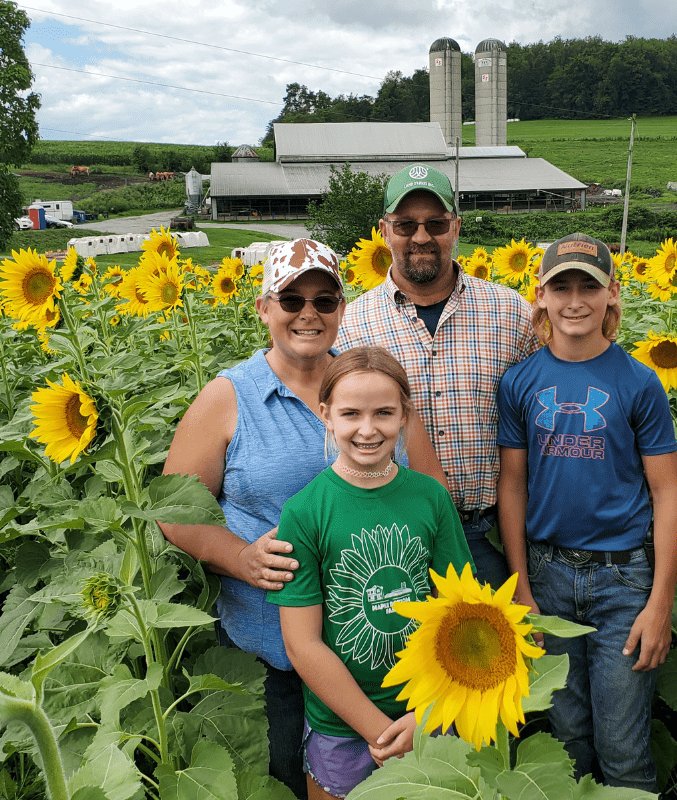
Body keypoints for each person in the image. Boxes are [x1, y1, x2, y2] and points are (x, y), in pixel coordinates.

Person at [159, 240, 447, 797]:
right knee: (285, 781)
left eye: (324, 299)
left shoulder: (372, 387)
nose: (308, 313)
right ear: (265, 308)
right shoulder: (228, 396)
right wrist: (239, 557)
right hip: (275, 649)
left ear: (342, 307)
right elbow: (176, 509)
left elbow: (430, 492)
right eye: (291, 299)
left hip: (385, 653)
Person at [495, 233, 677, 792]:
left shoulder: (638, 381)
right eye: (561, 287)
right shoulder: (520, 382)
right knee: (568, 735)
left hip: (623, 580)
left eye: (588, 286)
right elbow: (513, 486)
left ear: (612, 295)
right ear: (541, 296)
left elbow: (668, 494)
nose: (574, 300)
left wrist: (660, 603)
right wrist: (521, 584)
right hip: (548, 575)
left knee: (623, 747)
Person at [268, 346, 474, 800]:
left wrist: (427, 715)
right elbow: (302, 644)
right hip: (342, 726)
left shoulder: (430, 499)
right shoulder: (305, 512)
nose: (367, 429)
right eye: (350, 413)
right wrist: (379, 732)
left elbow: (464, 616)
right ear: (326, 415)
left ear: (405, 415)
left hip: (428, 714)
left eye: (384, 412)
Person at [336, 163, 538, 590]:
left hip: (495, 537)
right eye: (406, 225)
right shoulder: (353, 325)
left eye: (436, 223)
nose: (422, 237)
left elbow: (541, 421)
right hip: (391, 537)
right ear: (384, 230)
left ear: (456, 227)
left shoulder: (510, 312)